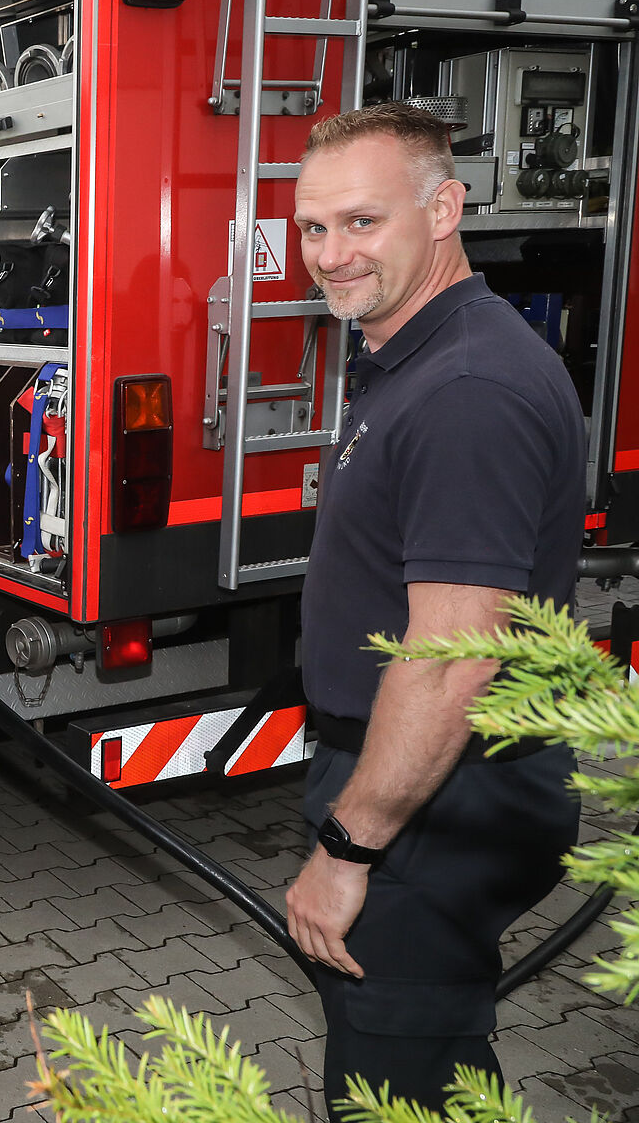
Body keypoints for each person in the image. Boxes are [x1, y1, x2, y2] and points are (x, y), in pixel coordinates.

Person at [286, 102, 584, 1117]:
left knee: (395, 1084)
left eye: (363, 222)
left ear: (444, 207)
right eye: (314, 227)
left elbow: (457, 657)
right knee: (431, 1063)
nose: (332, 253)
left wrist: (350, 846)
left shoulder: (468, 387)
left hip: (434, 801)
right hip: (425, 786)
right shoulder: (420, 349)